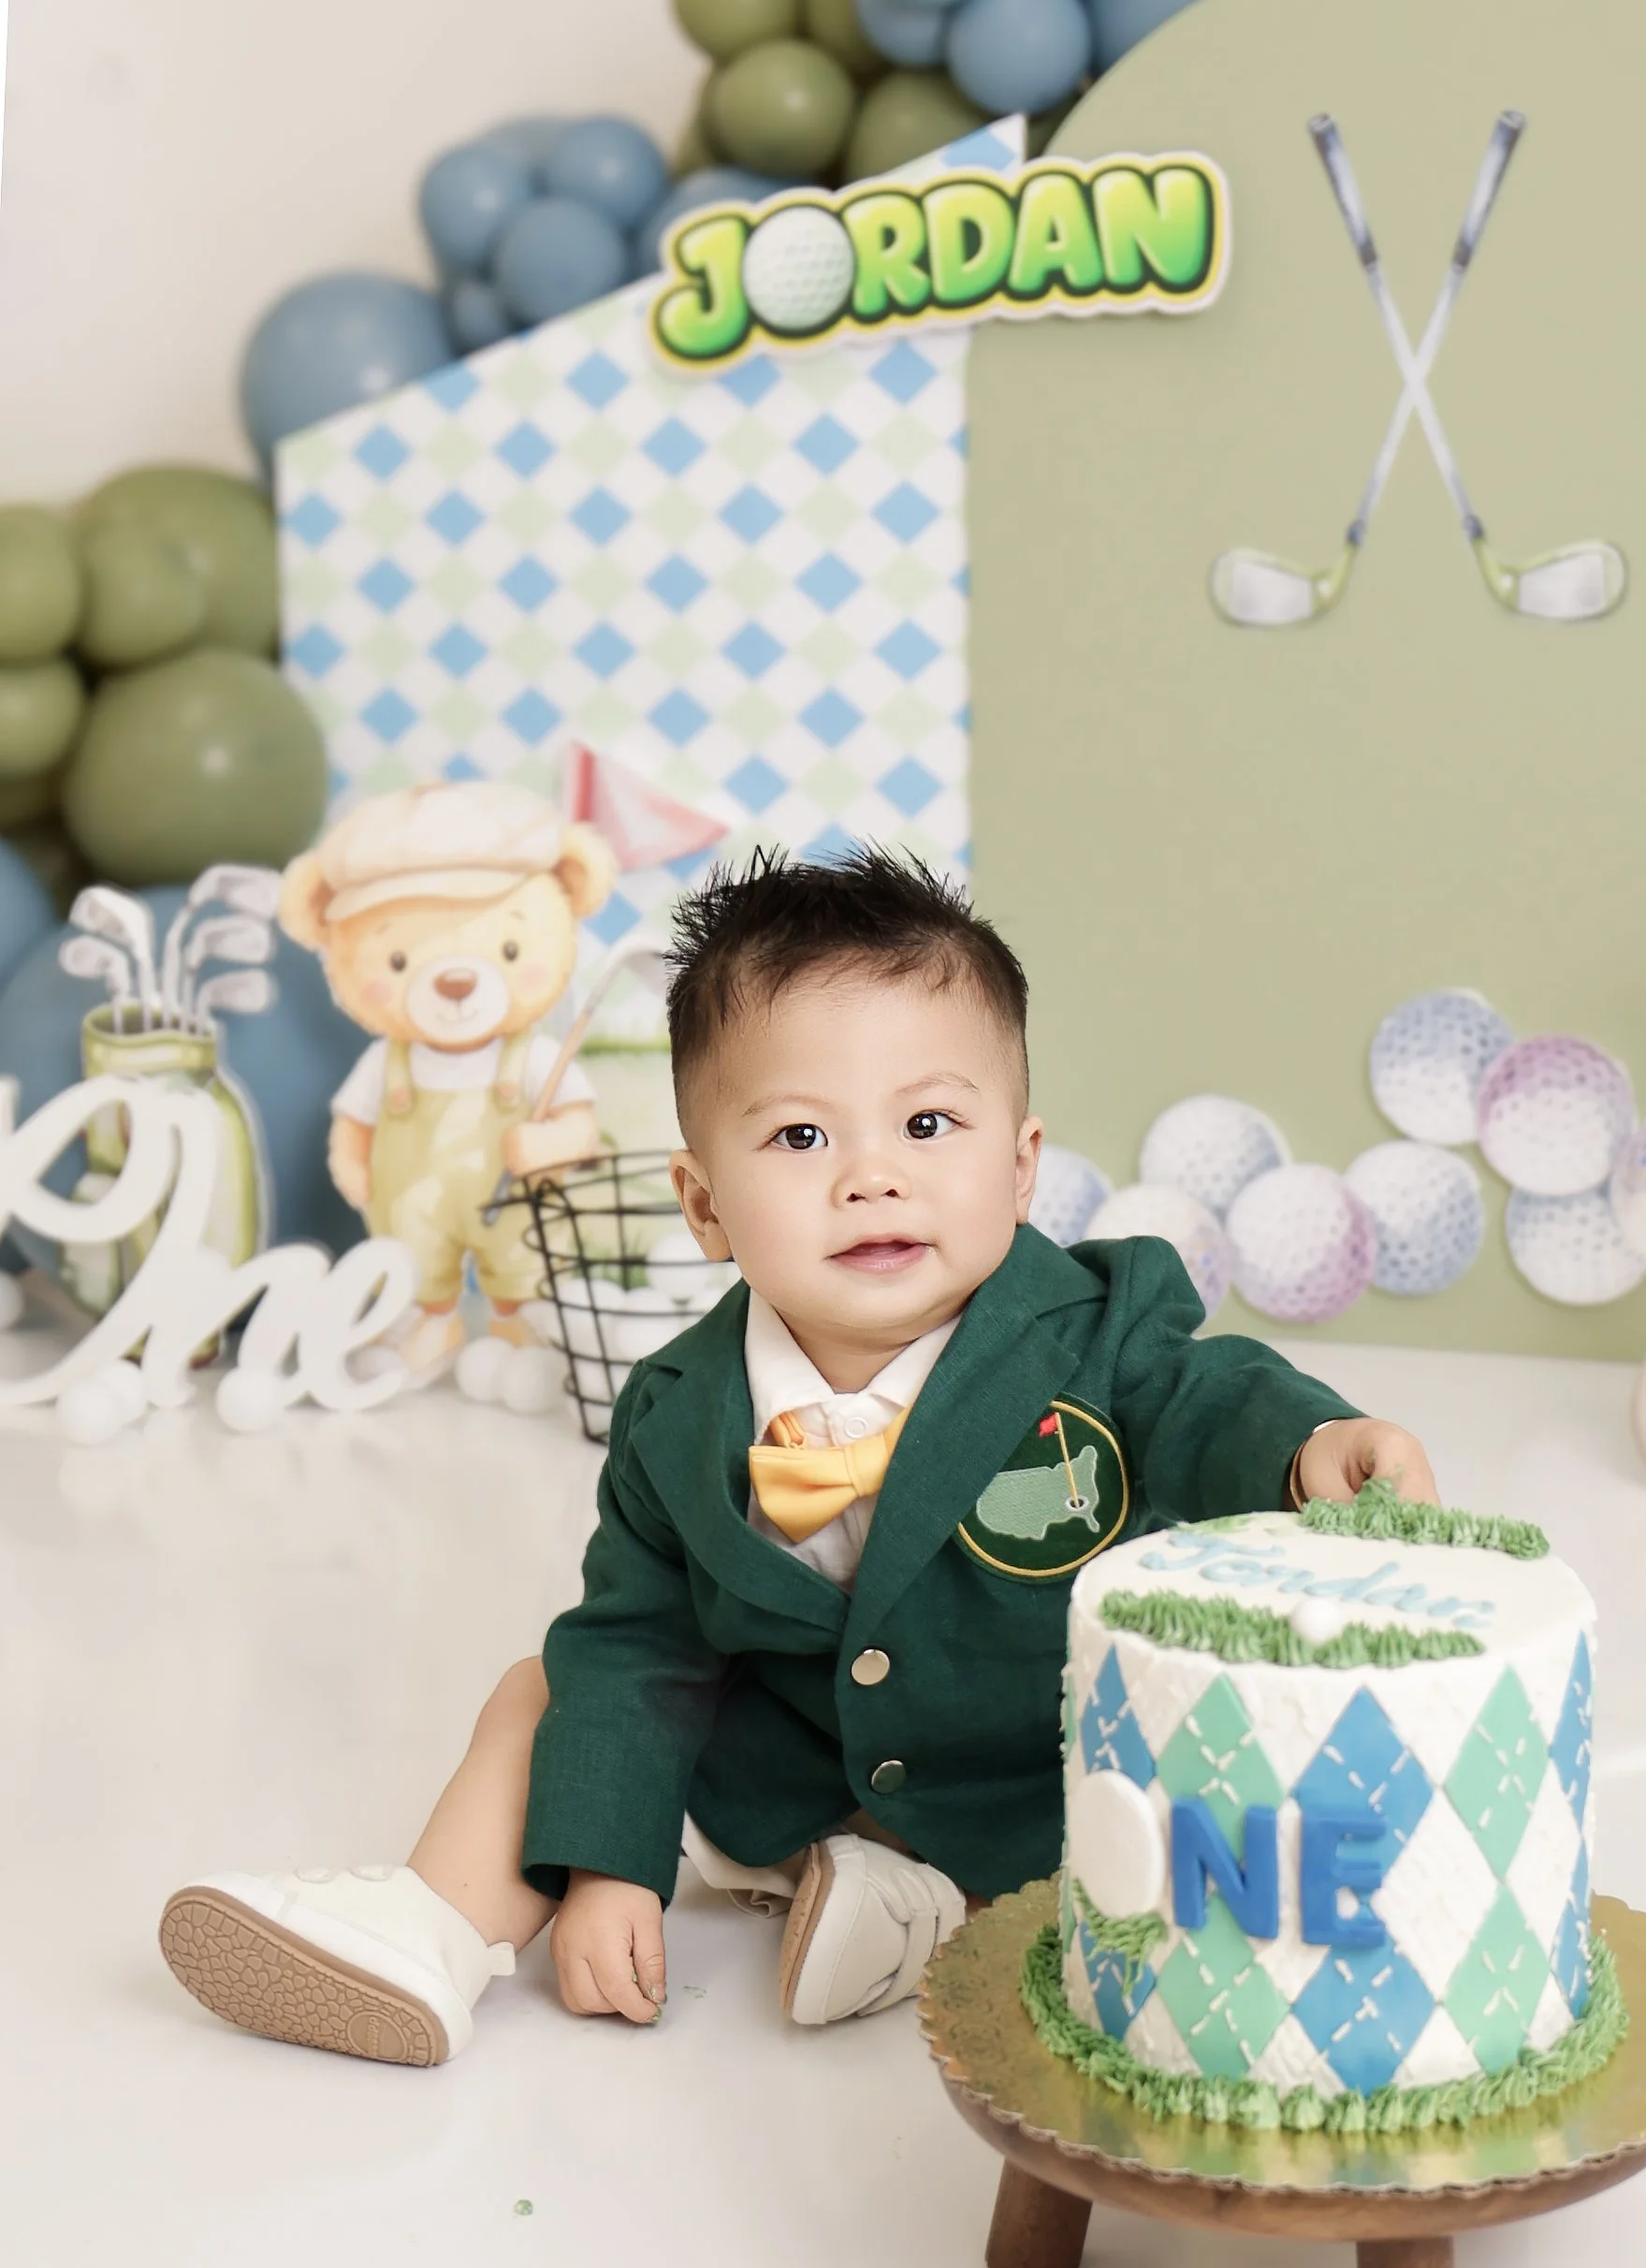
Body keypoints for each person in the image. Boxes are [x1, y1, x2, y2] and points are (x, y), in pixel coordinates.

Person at [159, 848, 1437, 2066]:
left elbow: (1204, 1392)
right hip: (781, 1770)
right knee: (544, 1685)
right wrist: (611, 1863)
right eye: (800, 1139)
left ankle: (915, 1909)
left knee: (1180, 1795)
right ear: (706, 1203)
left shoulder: (1098, 1330)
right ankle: (433, 1929)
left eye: (929, 1123)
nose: (872, 1177)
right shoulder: (677, 1413)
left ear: (1022, 1163)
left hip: (1028, 1786)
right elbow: (641, 1644)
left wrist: (1308, 1442)